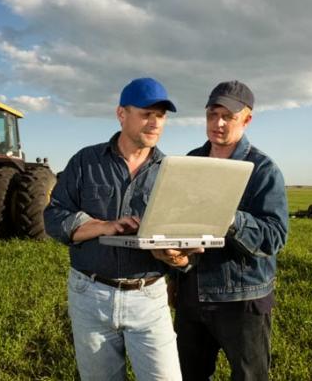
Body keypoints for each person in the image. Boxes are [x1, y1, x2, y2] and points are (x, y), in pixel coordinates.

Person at [44, 77, 198, 380]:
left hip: (149, 297)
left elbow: (182, 244)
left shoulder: (171, 174)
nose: (155, 122)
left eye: (161, 115)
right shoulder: (86, 162)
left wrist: (177, 258)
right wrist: (104, 226)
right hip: (90, 293)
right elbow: (54, 217)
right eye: (146, 113)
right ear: (121, 114)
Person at [160, 80, 289, 381]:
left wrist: (229, 218)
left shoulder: (263, 171)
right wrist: (173, 275)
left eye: (228, 116)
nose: (217, 123)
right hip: (191, 297)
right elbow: (172, 224)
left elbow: (275, 236)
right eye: (211, 114)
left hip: (241, 301)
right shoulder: (189, 163)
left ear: (247, 119)